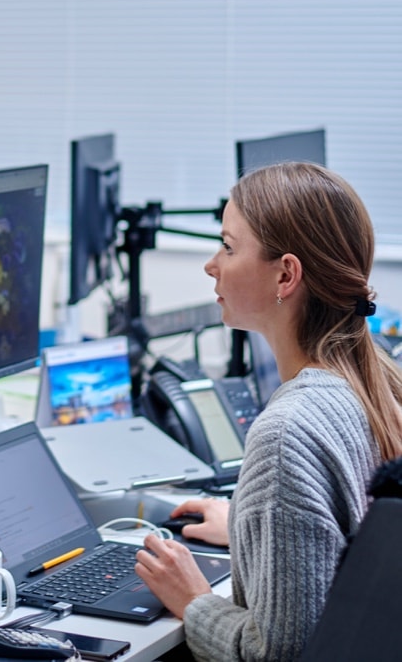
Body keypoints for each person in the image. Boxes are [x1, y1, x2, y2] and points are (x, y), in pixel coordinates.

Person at [135, 162, 402, 661]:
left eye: (228, 247)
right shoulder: (379, 381)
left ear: (286, 274)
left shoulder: (285, 434)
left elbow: (281, 655)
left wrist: (193, 601)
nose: (211, 265)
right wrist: (247, 524)